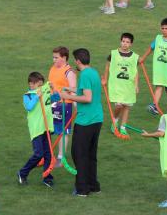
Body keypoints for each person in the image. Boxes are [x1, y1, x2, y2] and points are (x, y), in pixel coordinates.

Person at [59, 48, 104, 197]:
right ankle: (93, 185)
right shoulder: (93, 72)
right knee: (91, 154)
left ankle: (82, 189)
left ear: (78, 61)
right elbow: (84, 90)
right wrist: (70, 89)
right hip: (97, 119)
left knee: (79, 154)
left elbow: (87, 97)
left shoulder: (84, 74)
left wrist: (68, 96)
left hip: (86, 121)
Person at [17, 72, 59, 188]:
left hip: (46, 128)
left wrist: (53, 89)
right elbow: (29, 107)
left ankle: (47, 177)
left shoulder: (44, 92)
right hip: (36, 129)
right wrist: (37, 96)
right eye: (33, 83)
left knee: (48, 154)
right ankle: (22, 173)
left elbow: (56, 98)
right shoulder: (28, 95)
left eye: (39, 84)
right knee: (38, 154)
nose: (34, 85)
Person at [139, 18, 167, 116]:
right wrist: (143, 57)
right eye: (162, 28)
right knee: (159, 86)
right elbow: (151, 48)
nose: (164, 30)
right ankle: (155, 105)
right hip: (159, 68)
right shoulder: (158, 38)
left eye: (166, 28)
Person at [102, 32, 139, 136]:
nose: (125, 44)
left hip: (128, 85)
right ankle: (115, 122)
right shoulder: (113, 54)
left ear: (131, 44)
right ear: (120, 41)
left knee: (126, 106)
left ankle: (123, 127)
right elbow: (107, 67)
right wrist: (105, 79)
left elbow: (135, 72)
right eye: (123, 41)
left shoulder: (134, 57)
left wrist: (136, 85)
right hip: (116, 85)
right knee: (118, 105)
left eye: (127, 42)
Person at [48, 47, 77, 162]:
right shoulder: (53, 68)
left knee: (63, 132)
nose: (54, 60)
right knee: (50, 129)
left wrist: (76, 106)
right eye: (53, 57)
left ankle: (60, 157)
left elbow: (74, 90)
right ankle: (47, 155)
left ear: (64, 58)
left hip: (65, 105)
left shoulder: (69, 72)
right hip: (52, 103)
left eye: (56, 57)